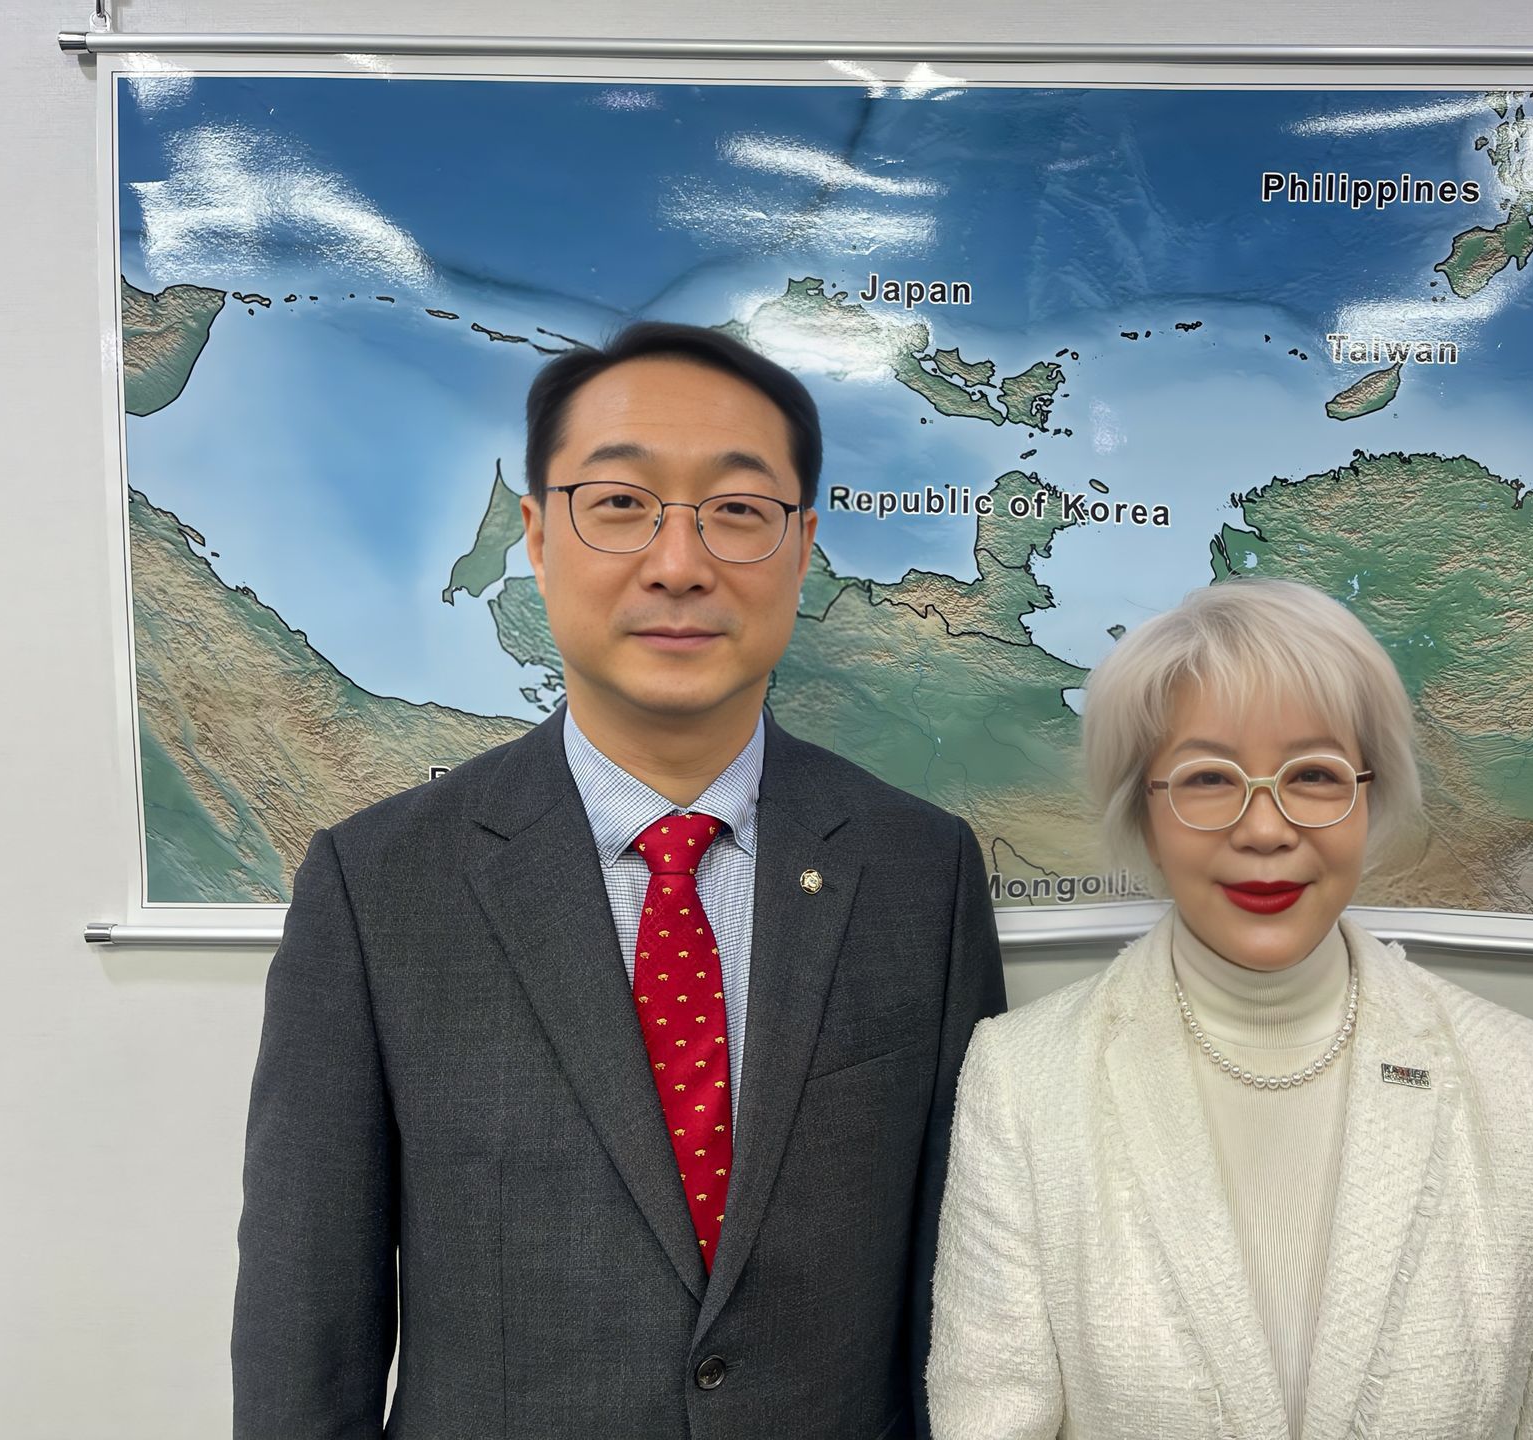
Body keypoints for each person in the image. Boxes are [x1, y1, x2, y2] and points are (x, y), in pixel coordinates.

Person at [232, 322, 1006, 1440]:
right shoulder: (377, 886)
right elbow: (306, 1331)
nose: (678, 562)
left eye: (738, 510)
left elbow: (960, 1295)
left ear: (803, 547)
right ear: (538, 537)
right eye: (620, 502)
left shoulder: (919, 872)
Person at [928, 577, 1533, 1439]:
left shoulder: (1529, 1085)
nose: (1265, 829)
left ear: (1370, 796)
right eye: (1208, 778)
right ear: (1142, 811)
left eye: (1313, 775)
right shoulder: (1022, 1081)